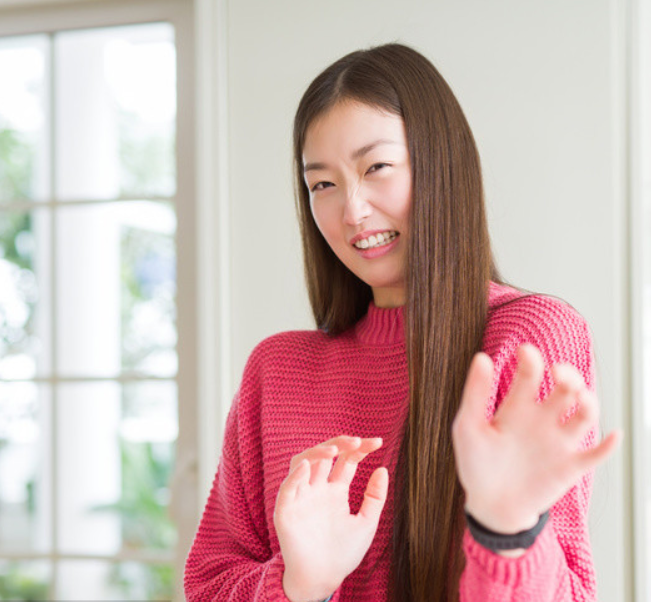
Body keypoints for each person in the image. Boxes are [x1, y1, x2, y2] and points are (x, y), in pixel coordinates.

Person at [183, 43, 622, 602]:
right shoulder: (277, 369)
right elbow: (209, 586)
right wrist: (299, 586)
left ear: (441, 165)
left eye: (377, 168)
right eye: (323, 184)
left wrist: (507, 530)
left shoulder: (527, 336)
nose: (352, 211)